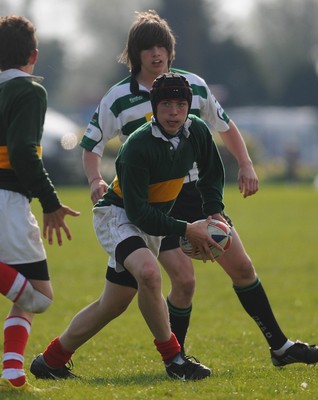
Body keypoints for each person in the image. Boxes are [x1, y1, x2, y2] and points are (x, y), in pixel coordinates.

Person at [30, 10, 318, 381]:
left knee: (117, 301)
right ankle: (175, 360)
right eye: (147, 47)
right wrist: (93, 181)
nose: (174, 110)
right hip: (137, 206)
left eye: (161, 46)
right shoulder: (127, 122)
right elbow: (97, 154)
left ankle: (50, 360)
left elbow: (216, 158)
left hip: (183, 197)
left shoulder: (193, 102)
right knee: (169, 277)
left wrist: (221, 200)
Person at [0, 15, 80, 393]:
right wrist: (51, 202)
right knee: (40, 295)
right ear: (33, 55)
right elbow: (22, 153)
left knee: (26, 294)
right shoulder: (30, 91)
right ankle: (11, 367)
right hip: (8, 203)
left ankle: (12, 368)